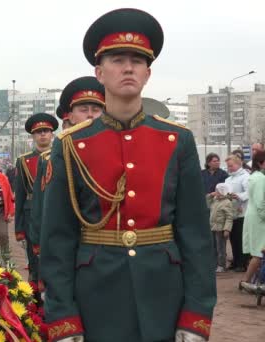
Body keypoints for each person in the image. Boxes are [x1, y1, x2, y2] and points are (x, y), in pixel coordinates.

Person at [40, 8, 216, 342]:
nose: (128, 68)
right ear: (99, 72)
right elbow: (57, 239)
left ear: (148, 73)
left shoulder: (177, 140)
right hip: (95, 294)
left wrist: (196, 316)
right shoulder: (72, 144)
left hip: (164, 293)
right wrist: (63, 315)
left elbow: (195, 236)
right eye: (118, 59)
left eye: (137, 60)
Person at [31, 77, 105, 262]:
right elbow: (44, 209)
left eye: (96, 110)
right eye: (83, 110)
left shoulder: (118, 152)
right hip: (72, 246)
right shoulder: (54, 157)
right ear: (70, 116)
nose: (90, 115)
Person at [14, 113, 59, 284]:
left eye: (46, 130)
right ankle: (36, 304)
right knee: (35, 263)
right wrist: (19, 230)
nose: (42, 134)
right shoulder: (23, 161)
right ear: (33, 136)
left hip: (56, 211)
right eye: (38, 131)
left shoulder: (60, 156)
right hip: (31, 215)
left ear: (52, 134)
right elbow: (20, 196)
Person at [240, 150, 265, 289]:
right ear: (260, 163)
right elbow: (261, 202)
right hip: (259, 217)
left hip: (253, 214)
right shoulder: (260, 178)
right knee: (259, 252)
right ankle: (247, 282)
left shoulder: (254, 176)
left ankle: (247, 281)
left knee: (258, 252)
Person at [224, 154, 250, 272]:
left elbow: (249, 193)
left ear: (239, 164)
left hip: (242, 212)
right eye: (228, 166)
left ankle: (242, 263)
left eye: (231, 165)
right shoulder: (228, 179)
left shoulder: (245, 176)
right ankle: (235, 261)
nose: (229, 168)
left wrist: (238, 196)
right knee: (233, 239)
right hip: (231, 213)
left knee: (241, 239)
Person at [206, 183, 234, 273]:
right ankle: (215, 264)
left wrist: (227, 229)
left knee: (220, 248)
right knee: (213, 247)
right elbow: (206, 203)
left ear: (222, 191)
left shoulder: (227, 202)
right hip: (213, 227)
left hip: (221, 229)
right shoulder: (215, 200)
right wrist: (210, 195)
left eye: (217, 190)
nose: (215, 192)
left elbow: (229, 217)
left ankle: (221, 265)